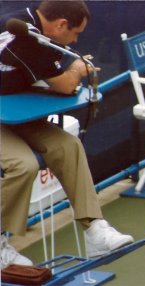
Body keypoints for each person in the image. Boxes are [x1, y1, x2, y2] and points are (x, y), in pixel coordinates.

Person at [0, 0, 133, 269]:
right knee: (22, 164)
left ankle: (94, 229)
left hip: (12, 110)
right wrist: (77, 70)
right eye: (75, 33)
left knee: (68, 146)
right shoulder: (27, 38)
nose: (75, 39)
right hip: (6, 114)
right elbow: (65, 86)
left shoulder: (35, 32)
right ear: (60, 24)